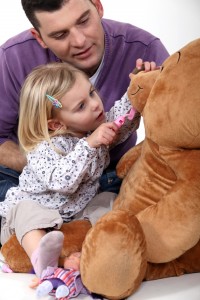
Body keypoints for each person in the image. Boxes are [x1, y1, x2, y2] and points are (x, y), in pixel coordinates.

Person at [0, 0, 169, 200]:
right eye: (60, 34)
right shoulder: (12, 57)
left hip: (110, 176)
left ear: (98, 6)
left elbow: (178, 133)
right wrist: (50, 170)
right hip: (31, 179)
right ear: (40, 38)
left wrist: (140, 89)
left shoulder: (145, 49)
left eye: (83, 21)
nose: (80, 41)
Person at [0, 62, 139, 278]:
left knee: (108, 199)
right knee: (25, 210)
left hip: (74, 215)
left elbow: (119, 124)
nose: (95, 104)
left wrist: (137, 90)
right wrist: (89, 144)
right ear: (56, 124)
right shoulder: (43, 148)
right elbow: (62, 182)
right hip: (37, 218)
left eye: (92, 93)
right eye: (81, 106)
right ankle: (44, 262)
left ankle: (95, 249)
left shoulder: (89, 130)